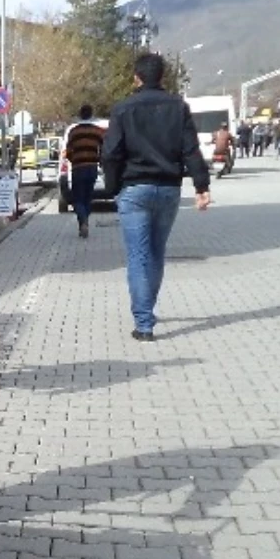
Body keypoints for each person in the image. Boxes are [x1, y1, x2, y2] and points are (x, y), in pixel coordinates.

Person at [101, 52, 210, 342]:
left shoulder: (123, 109)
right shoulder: (178, 106)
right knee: (156, 253)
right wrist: (201, 187)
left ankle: (144, 323)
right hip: (169, 189)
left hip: (134, 189)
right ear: (161, 77)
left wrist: (112, 188)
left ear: (136, 77)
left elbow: (111, 153)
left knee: (138, 256)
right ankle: (148, 309)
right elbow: (191, 149)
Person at [64, 104, 106, 238]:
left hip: (78, 168)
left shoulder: (74, 132)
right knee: (88, 197)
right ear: (91, 114)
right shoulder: (98, 131)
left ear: (80, 114)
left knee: (78, 198)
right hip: (92, 167)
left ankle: (83, 222)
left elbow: (68, 151)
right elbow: (104, 149)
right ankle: (85, 221)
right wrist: (99, 161)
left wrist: (74, 160)